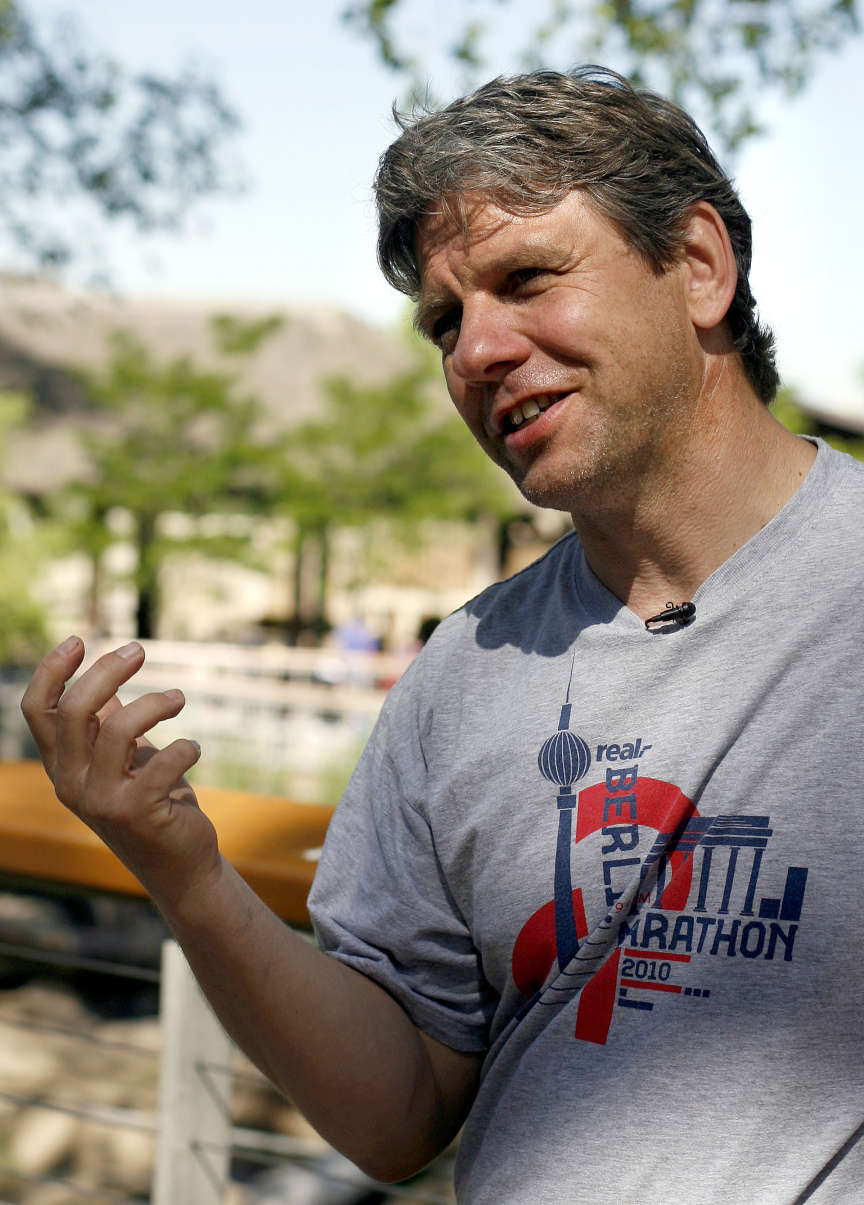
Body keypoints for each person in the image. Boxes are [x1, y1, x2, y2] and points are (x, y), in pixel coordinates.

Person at [21, 67, 864, 1203]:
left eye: (528, 277)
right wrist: (186, 871)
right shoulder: (460, 676)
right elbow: (397, 1114)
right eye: (447, 320)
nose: (477, 352)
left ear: (701, 266)